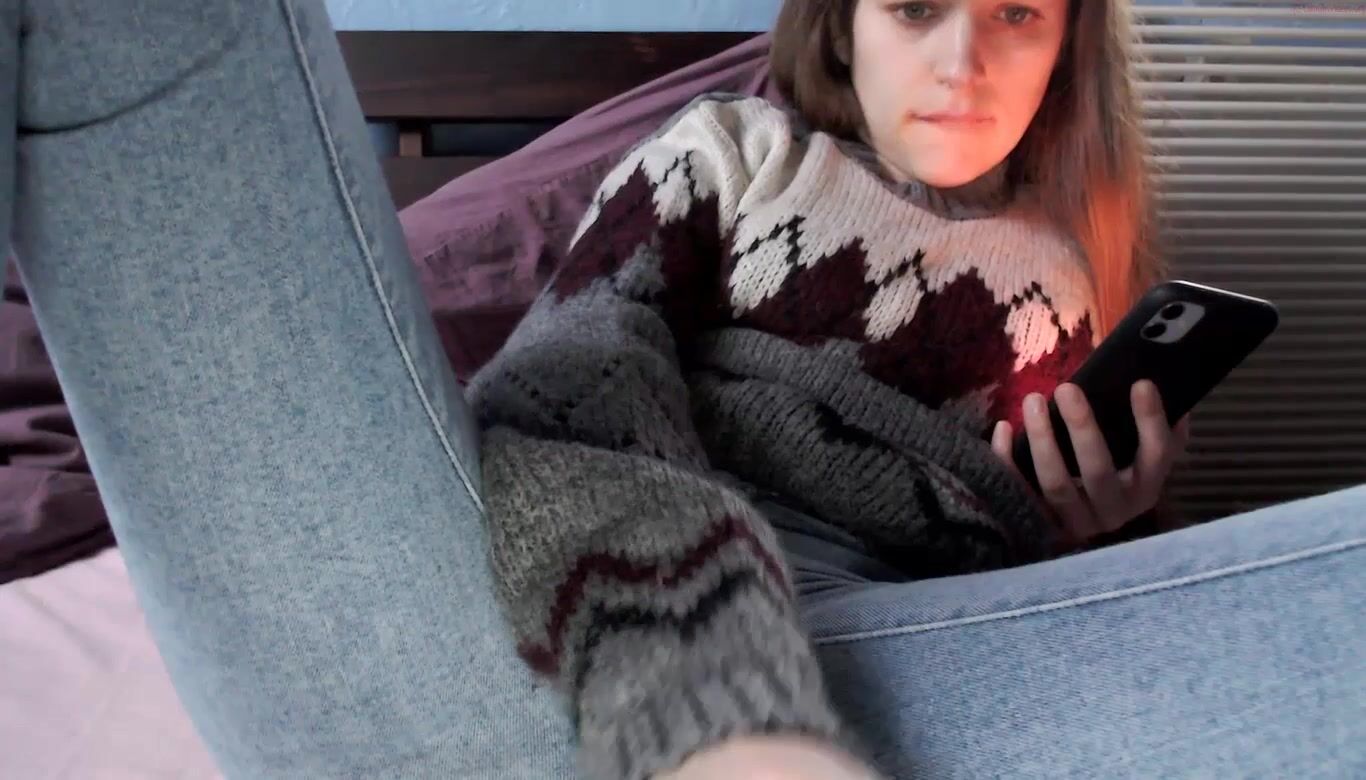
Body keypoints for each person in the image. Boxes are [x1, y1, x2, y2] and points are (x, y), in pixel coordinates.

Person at [2, 0, 1360, 779]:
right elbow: (572, 390)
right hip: (627, 577)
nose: (964, 61)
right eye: (915, 5)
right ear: (845, 25)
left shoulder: (1062, 275)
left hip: (908, 640)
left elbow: (1035, 598)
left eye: (1017, 13)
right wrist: (716, 640)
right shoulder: (741, 150)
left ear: (1068, 46)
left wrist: (1089, 524)